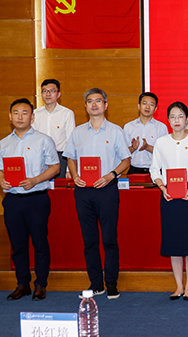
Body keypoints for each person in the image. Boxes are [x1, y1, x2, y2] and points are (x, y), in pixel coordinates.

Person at [64, 88, 131, 300]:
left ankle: (111, 283)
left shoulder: (116, 131)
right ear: (85, 106)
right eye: (90, 101)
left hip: (107, 190)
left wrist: (111, 175)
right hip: (83, 191)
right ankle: (95, 284)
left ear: (106, 105)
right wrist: (75, 175)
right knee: (89, 240)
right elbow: (70, 157)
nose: (94, 104)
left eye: (98, 101)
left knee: (109, 238)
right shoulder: (77, 132)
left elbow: (126, 160)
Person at [0, 98, 60, 301]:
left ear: (32, 117)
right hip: (13, 199)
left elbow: (55, 167)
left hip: (36, 199)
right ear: (10, 116)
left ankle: (40, 284)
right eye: (16, 113)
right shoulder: (4, 143)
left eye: (24, 113)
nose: (20, 117)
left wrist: (35, 180)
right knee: (18, 244)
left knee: (40, 243)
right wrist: (1, 180)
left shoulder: (44, 140)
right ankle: (22, 284)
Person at [149, 101, 188, 301]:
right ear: (167, 119)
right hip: (168, 194)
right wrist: (162, 187)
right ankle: (178, 286)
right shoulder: (161, 142)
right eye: (173, 116)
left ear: (187, 119)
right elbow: (154, 169)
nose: (176, 120)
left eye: (180, 116)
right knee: (173, 242)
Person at [32, 79, 76, 178]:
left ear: (58, 94)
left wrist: (69, 169)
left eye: (52, 91)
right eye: (45, 91)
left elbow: (70, 141)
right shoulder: (35, 114)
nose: (48, 94)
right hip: (40, 158)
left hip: (60, 158)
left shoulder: (67, 113)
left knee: (58, 187)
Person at [123, 92, 168, 175]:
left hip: (155, 171)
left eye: (151, 104)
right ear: (139, 106)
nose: (147, 107)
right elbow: (123, 153)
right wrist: (133, 148)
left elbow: (164, 153)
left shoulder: (161, 127)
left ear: (155, 109)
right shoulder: (128, 126)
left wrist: (147, 147)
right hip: (134, 170)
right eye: (144, 103)